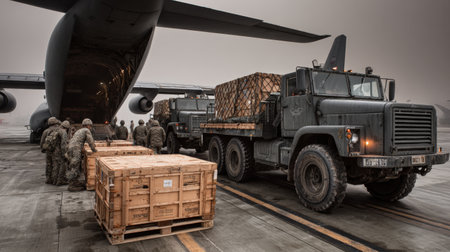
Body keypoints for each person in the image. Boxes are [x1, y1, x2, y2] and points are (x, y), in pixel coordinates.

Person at [66, 118, 97, 192]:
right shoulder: (86, 130)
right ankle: (72, 185)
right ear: (88, 125)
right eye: (90, 126)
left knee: (74, 165)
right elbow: (90, 141)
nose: (90, 127)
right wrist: (94, 150)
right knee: (75, 165)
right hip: (75, 149)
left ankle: (75, 181)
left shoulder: (79, 130)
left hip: (71, 148)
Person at [49, 120, 70, 186]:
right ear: (67, 127)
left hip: (53, 151)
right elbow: (63, 145)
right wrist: (65, 154)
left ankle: (54, 180)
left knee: (55, 166)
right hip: (59, 152)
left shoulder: (56, 130)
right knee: (62, 166)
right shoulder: (63, 132)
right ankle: (60, 181)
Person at [40, 117, 61, 184]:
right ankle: (55, 180)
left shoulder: (46, 131)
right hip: (56, 150)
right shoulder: (59, 130)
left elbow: (42, 142)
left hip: (48, 150)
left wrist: (43, 149)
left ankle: (48, 179)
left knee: (49, 164)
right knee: (56, 164)